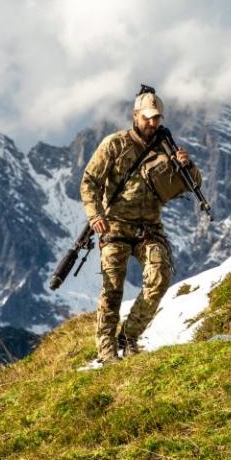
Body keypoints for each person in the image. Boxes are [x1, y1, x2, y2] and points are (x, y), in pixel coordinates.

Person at [80, 86, 202, 363]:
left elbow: (193, 183)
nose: (152, 122)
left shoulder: (166, 147)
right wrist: (95, 215)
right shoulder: (115, 144)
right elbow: (89, 182)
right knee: (112, 288)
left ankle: (130, 337)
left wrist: (188, 165)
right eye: (147, 117)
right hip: (115, 228)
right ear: (135, 115)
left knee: (159, 277)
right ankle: (106, 348)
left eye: (156, 117)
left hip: (149, 228)